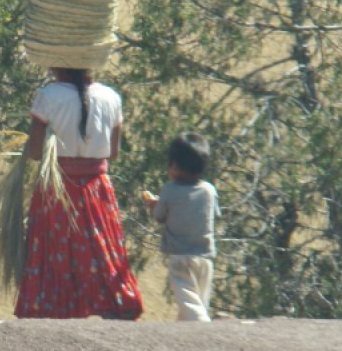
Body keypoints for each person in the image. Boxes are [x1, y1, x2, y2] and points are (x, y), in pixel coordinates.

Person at [14, 67, 144, 319]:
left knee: (56, 253)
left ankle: (53, 309)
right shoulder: (111, 97)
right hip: (97, 190)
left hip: (57, 188)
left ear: (56, 64)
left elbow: (34, 151)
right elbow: (113, 152)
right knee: (100, 250)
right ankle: (116, 304)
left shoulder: (49, 95)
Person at [144, 132, 219, 321]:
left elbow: (159, 217)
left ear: (174, 165)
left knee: (191, 308)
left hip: (180, 258)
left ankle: (206, 334)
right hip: (205, 257)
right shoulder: (209, 190)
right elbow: (213, 214)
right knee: (197, 305)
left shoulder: (169, 190)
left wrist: (155, 204)